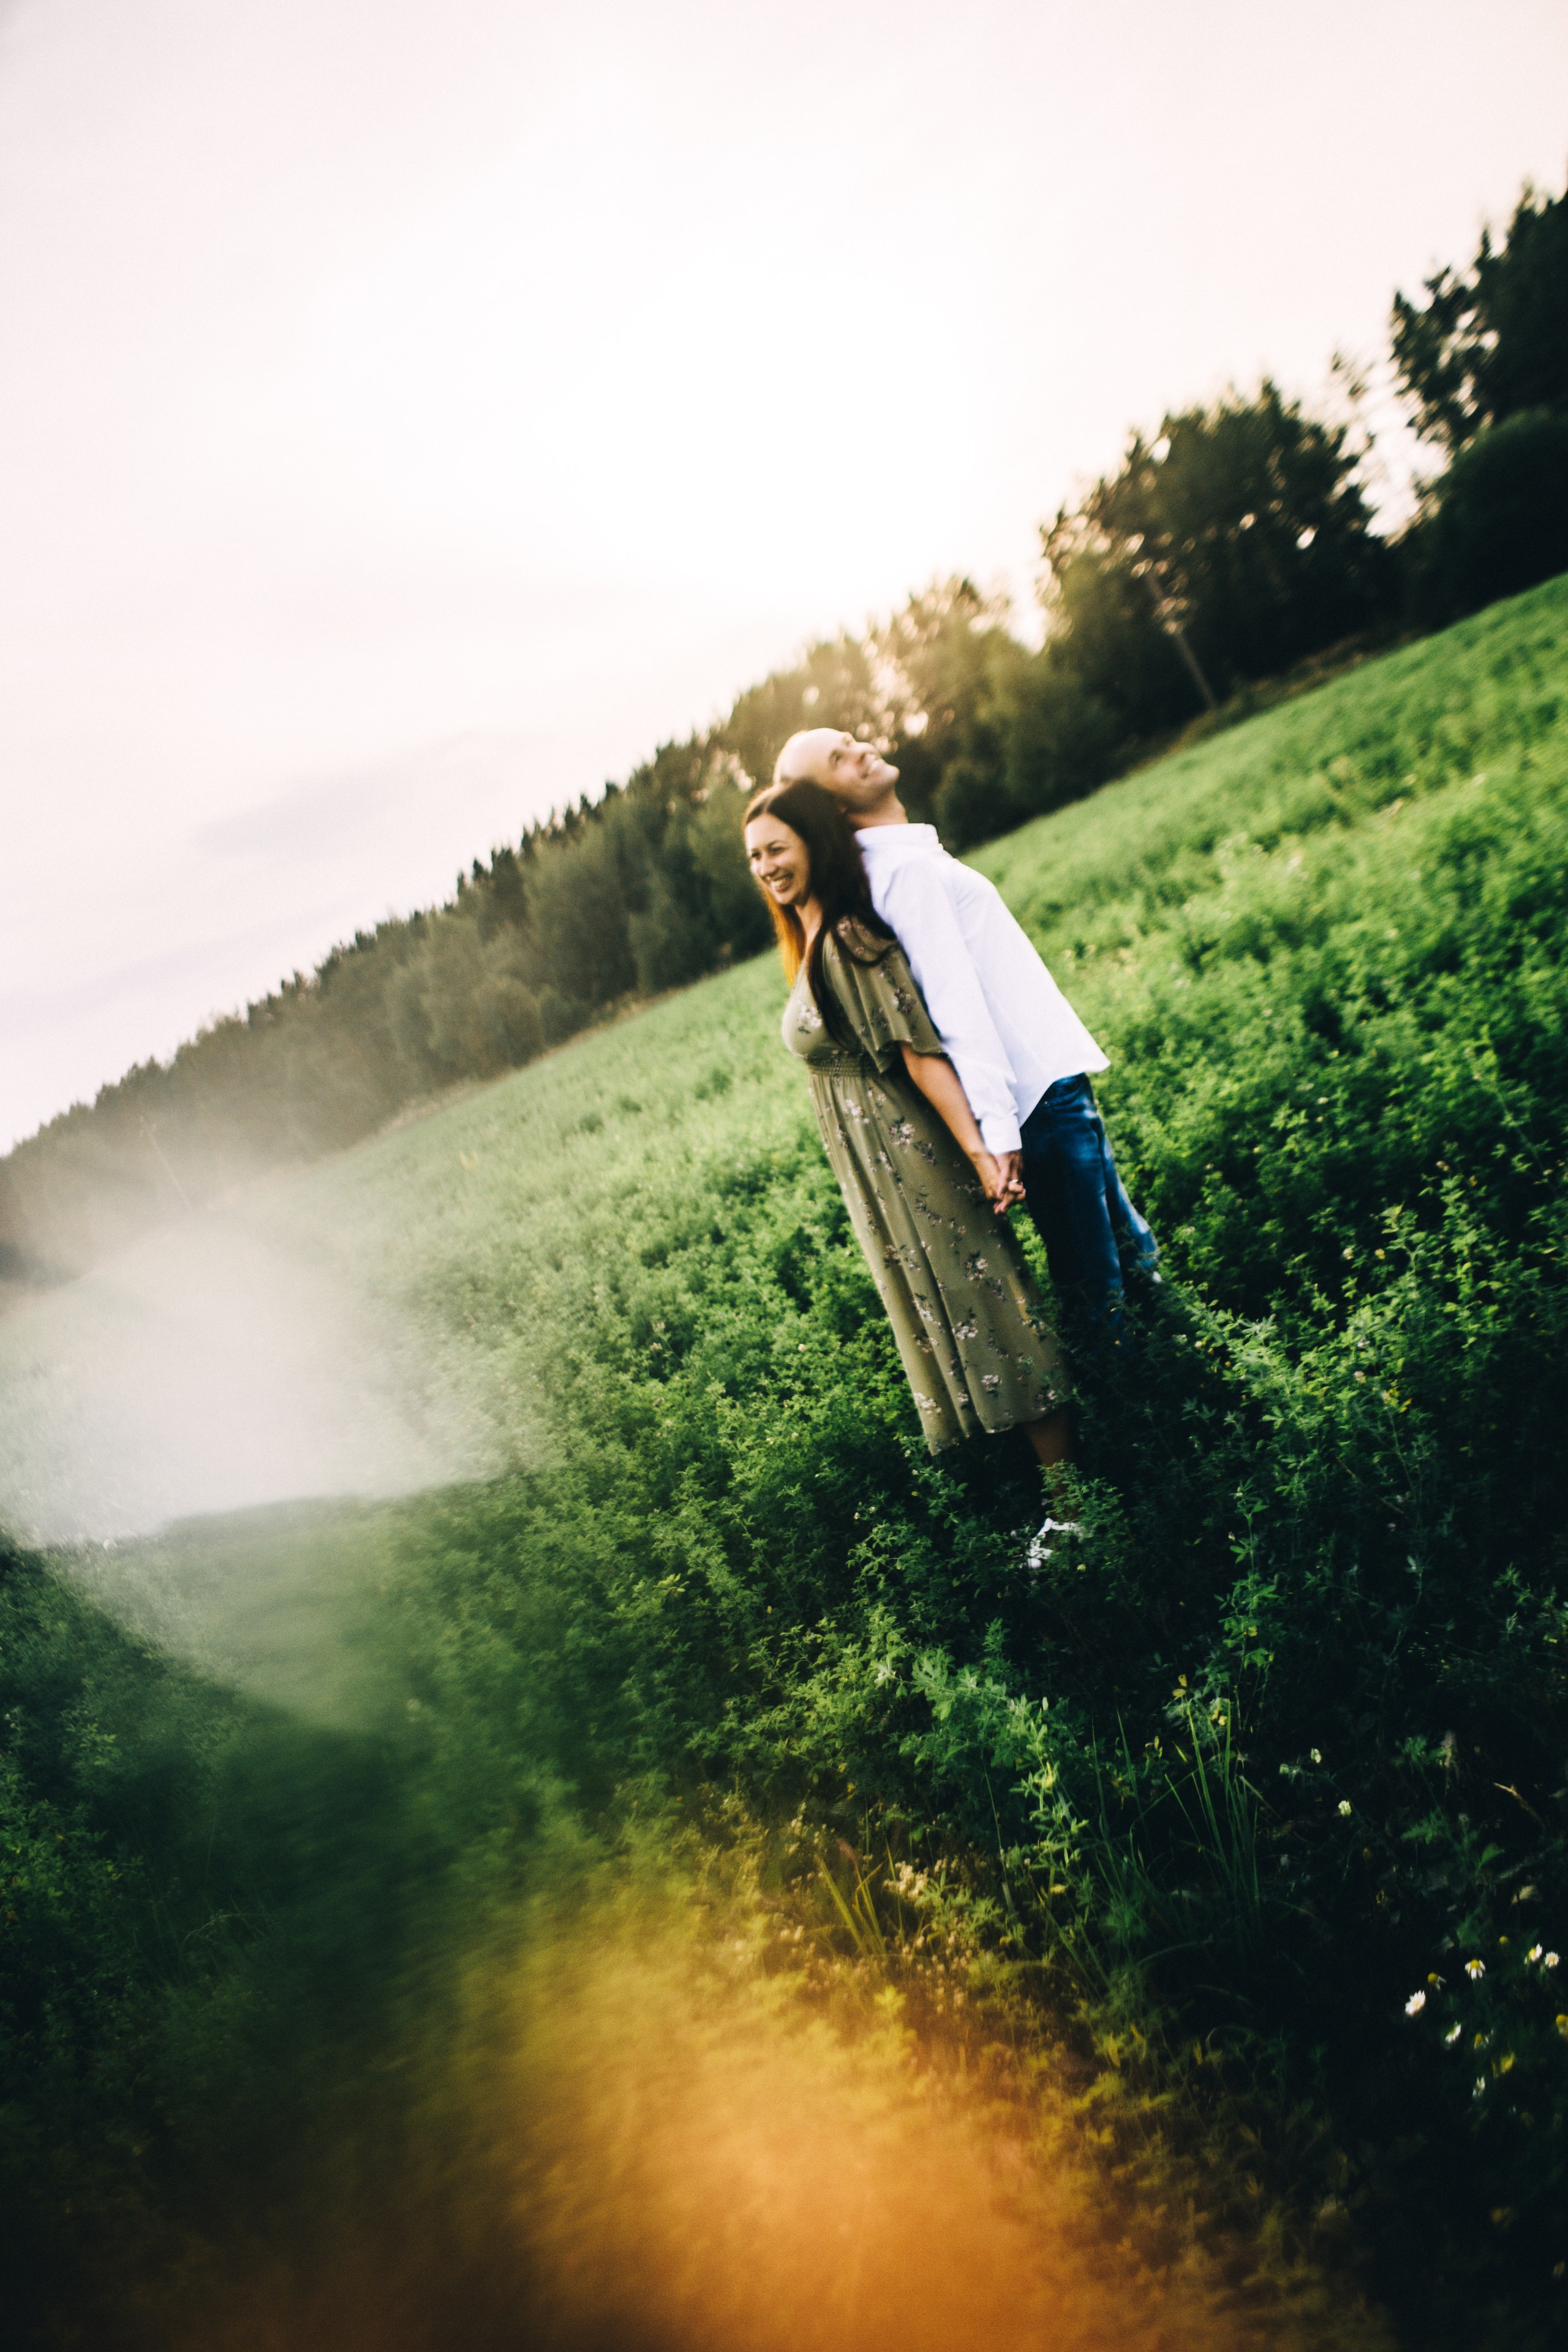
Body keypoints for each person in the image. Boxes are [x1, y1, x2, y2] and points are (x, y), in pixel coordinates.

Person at [772, 728, 1158, 1330]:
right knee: (1098, 1292)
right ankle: (1129, 1386)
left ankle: (1188, 1364)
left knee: (1132, 1258)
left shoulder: (902, 860)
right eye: (839, 759)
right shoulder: (900, 872)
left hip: (1050, 1084)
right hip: (1037, 1101)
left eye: (849, 739)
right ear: (834, 808)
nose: (861, 749)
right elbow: (954, 1005)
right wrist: (998, 1130)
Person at [743, 777, 1073, 1472]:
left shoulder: (849, 935)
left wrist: (981, 1151)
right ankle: (1033, 1485)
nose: (766, 866)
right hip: (875, 1168)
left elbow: (920, 1055)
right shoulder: (809, 936)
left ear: (814, 844)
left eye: (777, 848)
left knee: (985, 1302)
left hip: (910, 1156)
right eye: (754, 856)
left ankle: (1072, 1501)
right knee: (950, 1307)